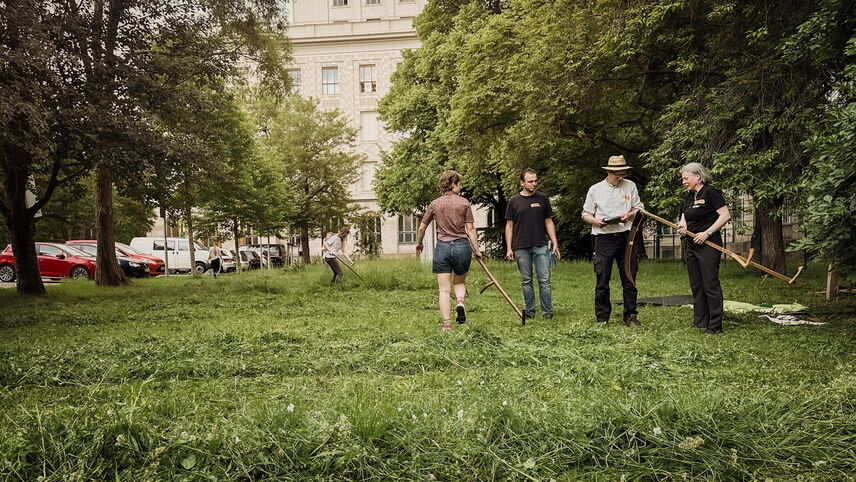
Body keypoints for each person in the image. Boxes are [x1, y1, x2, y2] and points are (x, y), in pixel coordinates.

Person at [581, 155, 645, 327]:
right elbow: (585, 214)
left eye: (622, 173)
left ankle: (630, 315)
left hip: (626, 236)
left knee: (629, 276)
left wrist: (629, 215)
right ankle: (602, 318)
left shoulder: (630, 186)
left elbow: (639, 207)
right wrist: (596, 221)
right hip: (603, 237)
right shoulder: (595, 189)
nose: (620, 177)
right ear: (608, 172)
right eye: (617, 174)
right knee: (603, 277)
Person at [416, 170, 482, 331]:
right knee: (459, 282)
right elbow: (471, 228)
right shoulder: (464, 203)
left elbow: (422, 227)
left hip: (443, 248)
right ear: (452, 184)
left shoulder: (435, 204)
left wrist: (419, 243)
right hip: (462, 246)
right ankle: (460, 302)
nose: (460, 187)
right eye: (459, 184)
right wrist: (477, 249)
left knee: (444, 289)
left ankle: (447, 325)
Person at [677, 162, 731, 334]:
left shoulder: (711, 192)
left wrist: (706, 233)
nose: (683, 182)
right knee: (696, 284)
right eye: (683, 178)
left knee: (710, 284)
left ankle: (715, 325)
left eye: (686, 178)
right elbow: (684, 215)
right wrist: (682, 225)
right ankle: (701, 321)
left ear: (698, 177)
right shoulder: (689, 196)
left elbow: (725, 216)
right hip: (691, 245)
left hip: (709, 244)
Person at [505, 168, 561, 320]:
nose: (534, 184)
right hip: (520, 246)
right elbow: (509, 226)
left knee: (544, 279)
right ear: (522, 182)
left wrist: (555, 244)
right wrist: (509, 248)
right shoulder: (514, 201)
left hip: (541, 245)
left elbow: (549, 222)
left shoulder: (542, 198)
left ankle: (547, 312)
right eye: (530, 181)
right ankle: (529, 311)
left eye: (535, 180)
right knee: (526, 280)